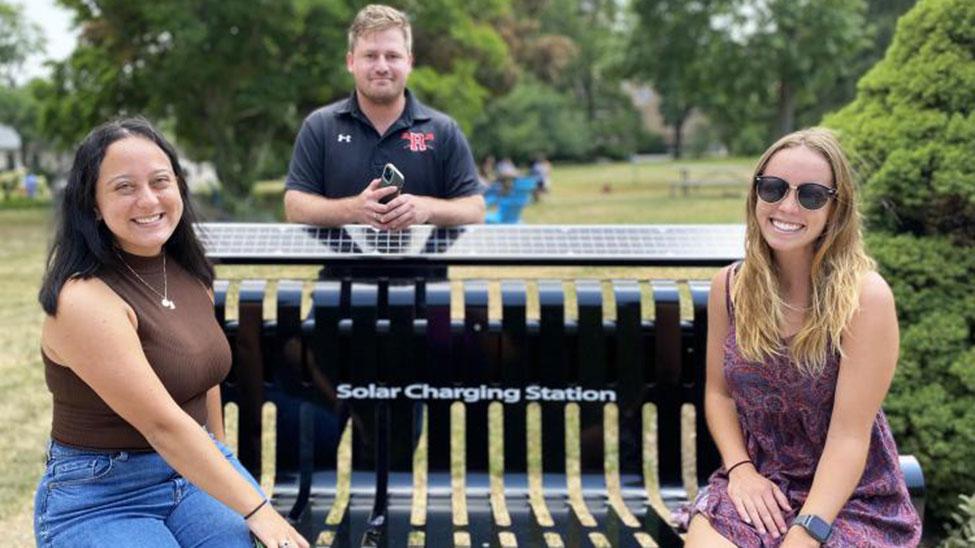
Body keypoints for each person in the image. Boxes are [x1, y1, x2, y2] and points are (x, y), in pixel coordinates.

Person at [35, 118, 309, 548]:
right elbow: (162, 424)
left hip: (190, 471)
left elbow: (207, 374)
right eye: (124, 187)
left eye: (160, 181)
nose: (148, 200)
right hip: (102, 494)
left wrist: (221, 454)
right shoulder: (83, 300)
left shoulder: (186, 271)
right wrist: (259, 511)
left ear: (179, 186)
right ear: (92, 204)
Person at [681, 128, 921, 547]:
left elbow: (850, 435)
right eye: (773, 188)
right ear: (755, 194)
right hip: (760, 484)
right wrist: (740, 471)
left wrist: (807, 531)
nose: (787, 206)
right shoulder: (730, 288)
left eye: (810, 195)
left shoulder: (864, 298)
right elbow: (718, 394)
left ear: (836, 208)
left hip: (850, 496)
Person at [283, 4, 484, 230]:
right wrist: (354, 210)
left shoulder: (443, 130)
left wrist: (427, 208)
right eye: (370, 56)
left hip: (421, 265)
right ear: (351, 62)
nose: (382, 66)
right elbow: (294, 205)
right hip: (343, 266)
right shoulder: (320, 126)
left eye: (392, 56)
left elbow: (475, 208)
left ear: (408, 62)